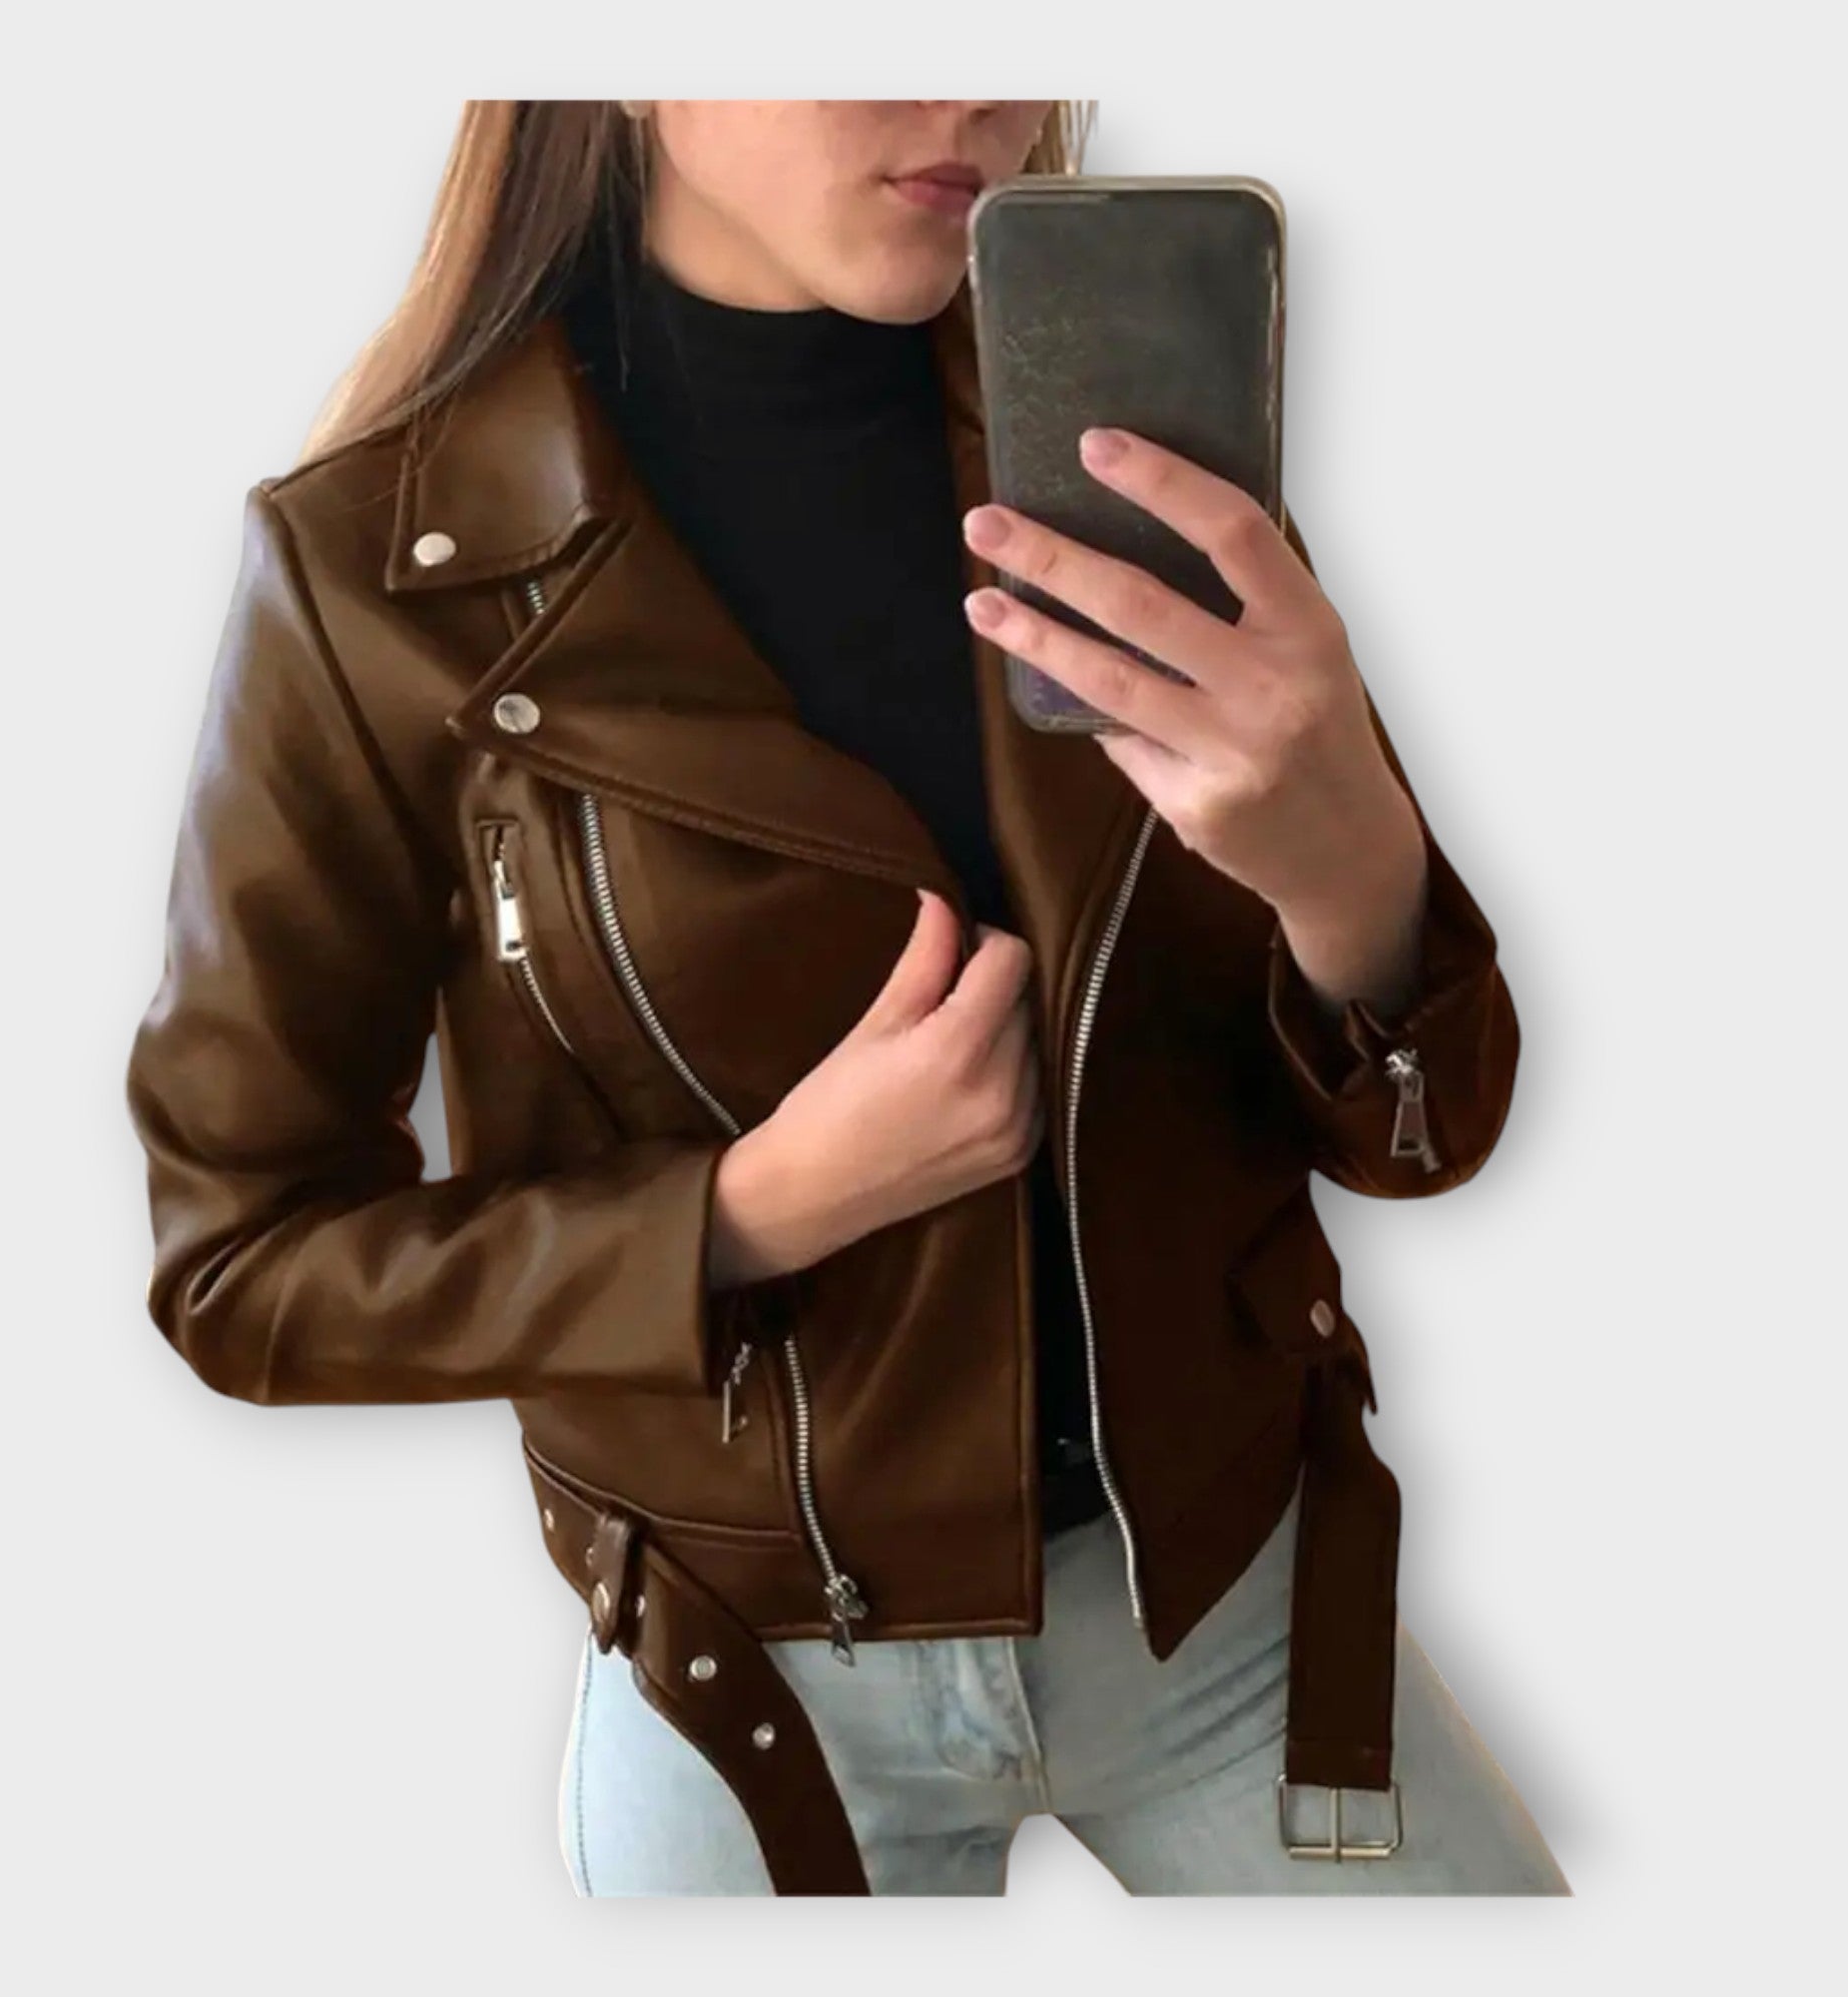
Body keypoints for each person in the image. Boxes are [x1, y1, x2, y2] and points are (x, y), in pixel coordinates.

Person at [125, 99, 1570, 1897]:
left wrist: (1355, 882)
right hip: (753, 1693)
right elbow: (242, 1268)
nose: (974, 88)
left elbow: (1430, 1135)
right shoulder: (380, 576)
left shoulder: (1118, 446)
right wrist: (745, 1213)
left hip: (1236, 1607)